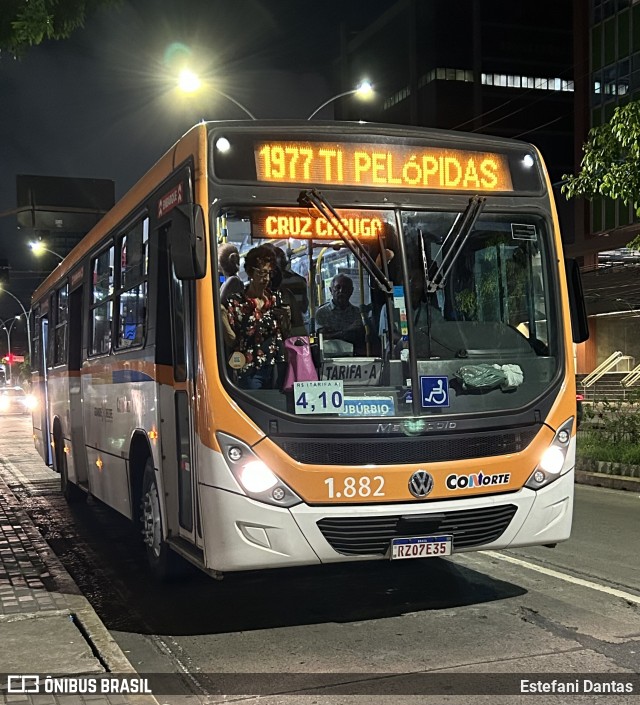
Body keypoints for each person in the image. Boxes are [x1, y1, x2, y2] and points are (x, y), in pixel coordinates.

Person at [223, 245, 290, 389]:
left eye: (269, 273)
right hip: (249, 368)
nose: (266, 278)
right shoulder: (236, 302)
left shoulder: (276, 299)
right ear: (250, 272)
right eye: (261, 273)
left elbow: (285, 333)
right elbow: (232, 340)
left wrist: (286, 319)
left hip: (276, 366)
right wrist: (222, 317)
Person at [315, 273, 366, 355]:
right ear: (331, 290)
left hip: (354, 356)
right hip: (329, 357)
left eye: (345, 288)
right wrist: (348, 330)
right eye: (337, 287)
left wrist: (334, 334)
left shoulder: (357, 313)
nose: (341, 291)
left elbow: (360, 337)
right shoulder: (322, 313)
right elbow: (322, 337)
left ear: (351, 291)